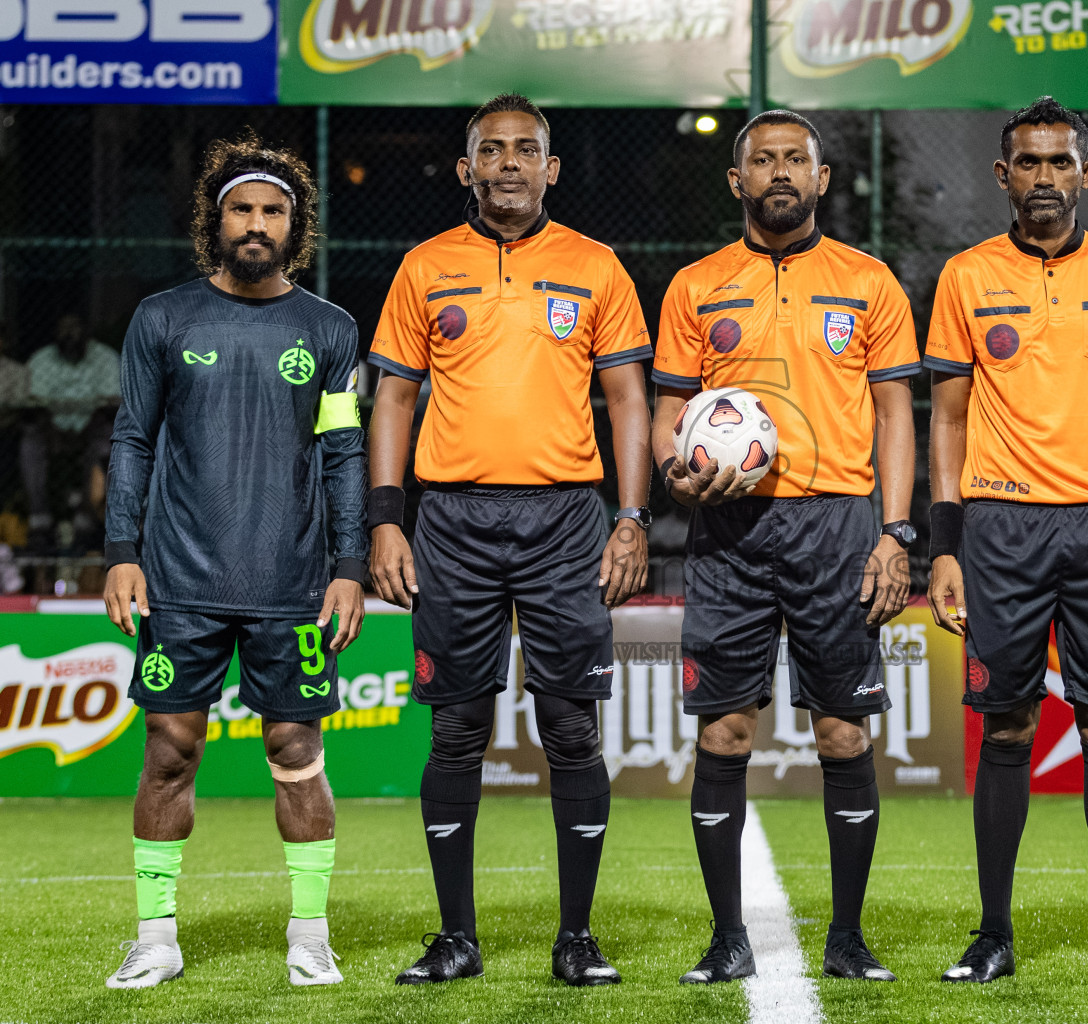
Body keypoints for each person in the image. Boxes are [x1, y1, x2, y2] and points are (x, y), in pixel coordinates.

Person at [367, 93, 653, 987]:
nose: (509, 164)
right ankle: (457, 937)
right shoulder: (423, 267)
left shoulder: (597, 266)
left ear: (552, 169)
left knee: (571, 727)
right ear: (466, 169)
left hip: (567, 519)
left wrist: (633, 518)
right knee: (455, 729)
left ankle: (577, 937)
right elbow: (394, 400)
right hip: (449, 520)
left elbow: (629, 404)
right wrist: (385, 516)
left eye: (526, 150)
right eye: (491, 151)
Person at [652, 108, 919, 985]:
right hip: (728, 529)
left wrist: (896, 532)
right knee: (725, 732)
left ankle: (848, 937)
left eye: (794, 160)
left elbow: (894, 416)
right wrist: (672, 470)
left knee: (843, 734)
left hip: (839, 527)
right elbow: (667, 414)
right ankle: (726, 939)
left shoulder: (869, 282)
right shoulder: (695, 284)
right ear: (737, 181)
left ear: (822, 178)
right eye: (761, 160)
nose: (778, 173)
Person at [925, 96, 1088, 987]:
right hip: (1000, 527)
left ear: (1087, 172)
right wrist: (945, 544)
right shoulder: (964, 277)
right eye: (1026, 163)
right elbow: (947, 419)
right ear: (1004, 175)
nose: (1043, 177)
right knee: (1008, 726)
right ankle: (993, 932)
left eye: (1057, 161)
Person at [101, 136, 366, 989]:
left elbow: (343, 455)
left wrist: (349, 563)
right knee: (170, 753)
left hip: (291, 585)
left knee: (296, 750)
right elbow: (134, 440)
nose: (257, 225)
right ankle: (155, 936)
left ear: (297, 226)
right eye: (243, 210)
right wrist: (120, 552)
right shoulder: (163, 318)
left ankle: (310, 933)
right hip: (178, 582)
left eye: (274, 211)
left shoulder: (329, 330)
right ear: (215, 221)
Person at [21, 312, 120, 549]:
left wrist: (84, 431)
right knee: (30, 443)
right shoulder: (42, 360)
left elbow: (110, 406)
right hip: (51, 429)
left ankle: (86, 518)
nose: (69, 335)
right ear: (55, 334)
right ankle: (39, 519)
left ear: (87, 332)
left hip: (93, 428)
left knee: (106, 442)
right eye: (64, 329)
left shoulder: (105, 357)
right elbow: (35, 406)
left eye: (75, 328)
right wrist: (53, 431)